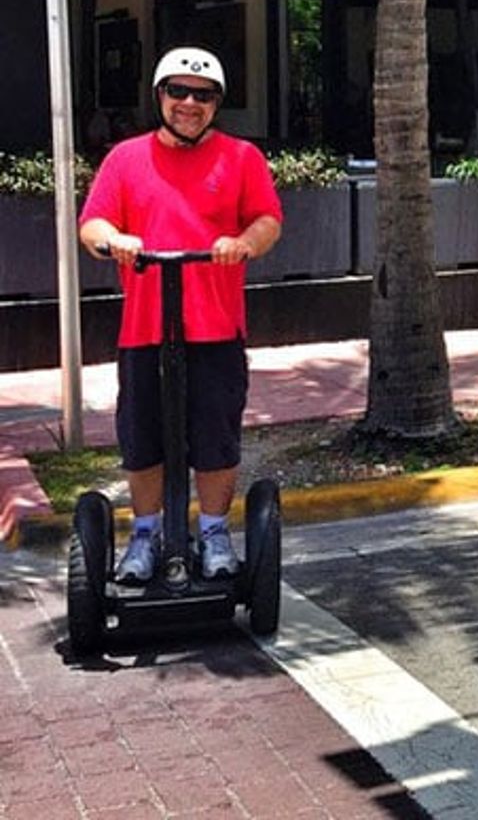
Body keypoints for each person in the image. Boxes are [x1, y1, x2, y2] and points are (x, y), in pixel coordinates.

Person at [78, 47, 283, 584]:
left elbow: (267, 220)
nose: (189, 103)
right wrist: (115, 240)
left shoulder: (241, 158)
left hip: (215, 326)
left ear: (217, 103)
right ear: (160, 97)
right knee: (142, 435)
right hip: (145, 328)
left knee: (215, 435)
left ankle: (213, 531)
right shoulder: (125, 158)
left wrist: (241, 243)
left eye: (203, 95)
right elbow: (92, 224)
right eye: (178, 92)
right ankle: (146, 534)